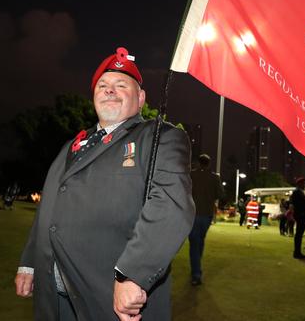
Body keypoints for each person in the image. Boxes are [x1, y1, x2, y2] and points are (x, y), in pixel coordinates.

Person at [14, 46, 195, 321]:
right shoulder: (72, 146)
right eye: (102, 85)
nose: (109, 90)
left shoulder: (160, 138)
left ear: (141, 97)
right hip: (56, 300)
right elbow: (50, 204)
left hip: (109, 299)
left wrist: (133, 273)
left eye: (121, 84)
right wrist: (29, 262)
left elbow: (171, 205)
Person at [188, 153, 224, 286]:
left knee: (194, 244)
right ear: (209, 164)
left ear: (198, 162)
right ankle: (196, 269)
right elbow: (220, 194)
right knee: (200, 241)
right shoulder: (215, 177)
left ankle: (196, 273)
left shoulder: (191, 175)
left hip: (192, 214)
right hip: (207, 214)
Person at [290, 177, 305, 260]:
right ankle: (297, 252)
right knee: (299, 234)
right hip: (300, 215)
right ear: (300, 184)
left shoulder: (298, 192)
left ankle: (297, 252)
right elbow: (298, 204)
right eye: (304, 183)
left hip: (301, 214)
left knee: (299, 234)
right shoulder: (297, 192)